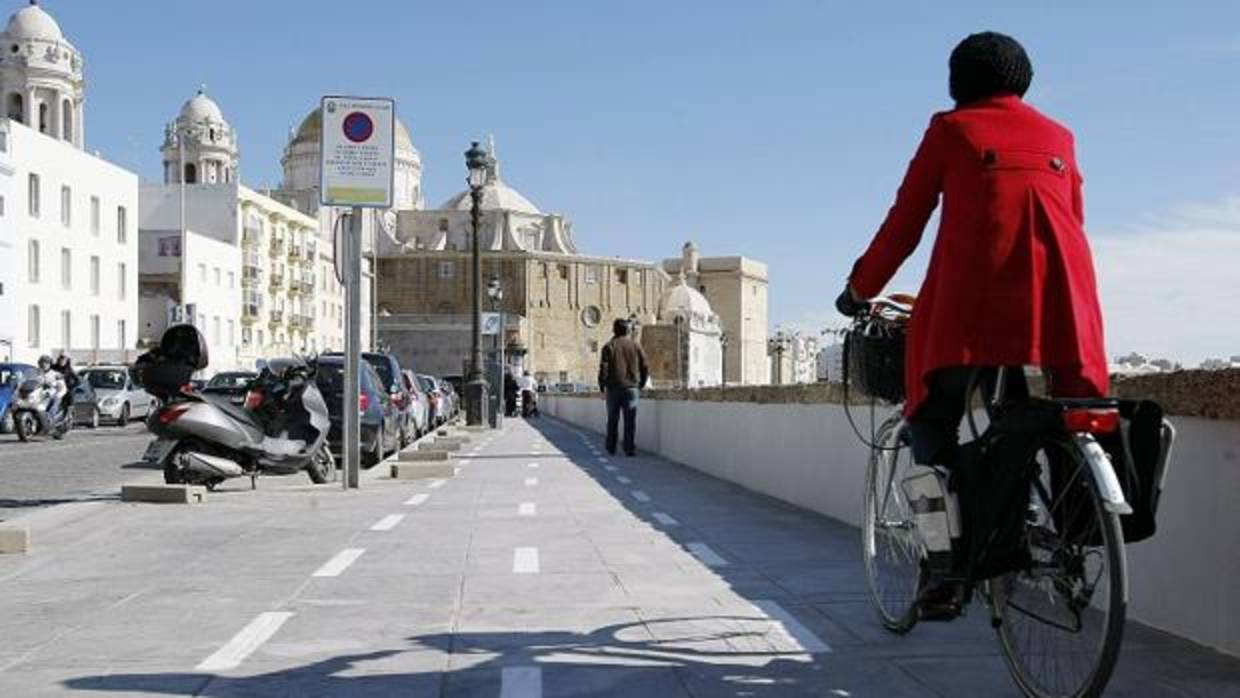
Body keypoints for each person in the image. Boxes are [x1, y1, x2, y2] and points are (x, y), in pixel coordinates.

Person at [836, 32, 1109, 618]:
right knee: (1027, 417)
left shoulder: (951, 130)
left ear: (958, 83)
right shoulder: (1060, 137)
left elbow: (905, 222)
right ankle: (1055, 537)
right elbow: (1073, 222)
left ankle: (943, 570)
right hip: (1057, 313)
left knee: (932, 422)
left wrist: (859, 288)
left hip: (970, 317)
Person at [598, 318, 649, 456]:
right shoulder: (636, 346)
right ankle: (629, 448)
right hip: (631, 388)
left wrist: (602, 386)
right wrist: (642, 383)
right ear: (627, 330)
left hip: (613, 388)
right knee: (630, 420)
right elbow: (645, 366)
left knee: (612, 419)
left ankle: (611, 447)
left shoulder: (609, 346)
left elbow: (604, 368)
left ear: (614, 330)